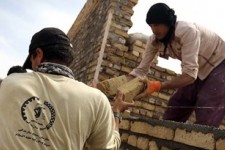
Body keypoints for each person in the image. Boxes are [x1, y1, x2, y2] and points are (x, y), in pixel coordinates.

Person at [0, 27, 134, 149]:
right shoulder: (96, 99)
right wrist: (116, 112)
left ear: (38, 54)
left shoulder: (8, 83)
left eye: (31, 61)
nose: (33, 67)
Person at [129, 3, 225, 127]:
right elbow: (140, 71)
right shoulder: (154, 41)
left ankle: (199, 145)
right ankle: (163, 141)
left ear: (167, 22)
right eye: (151, 25)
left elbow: (189, 76)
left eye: (157, 25)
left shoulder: (187, 31)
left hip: (220, 63)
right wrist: (124, 85)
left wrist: (159, 86)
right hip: (197, 69)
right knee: (177, 103)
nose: (154, 29)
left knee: (207, 106)